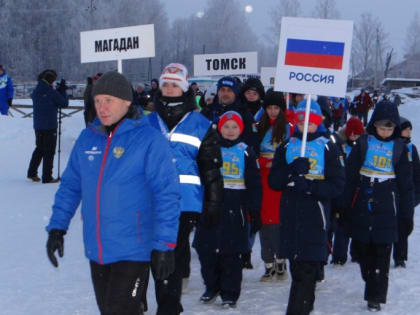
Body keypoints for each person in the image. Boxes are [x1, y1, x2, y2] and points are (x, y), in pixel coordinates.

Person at [45, 71, 181, 315]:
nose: (101, 107)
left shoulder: (148, 139)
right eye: (97, 101)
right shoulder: (88, 138)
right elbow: (70, 187)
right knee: (110, 309)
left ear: (127, 102)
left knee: (119, 310)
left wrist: (165, 244)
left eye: (108, 100)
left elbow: (166, 194)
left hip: (134, 247)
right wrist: (57, 228)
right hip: (98, 247)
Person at [143, 63, 223, 315]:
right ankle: (153, 302)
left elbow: (210, 169)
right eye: (165, 84)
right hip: (148, 201)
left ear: (185, 88)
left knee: (170, 259)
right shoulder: (146, 123)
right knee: (150, 257)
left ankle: (168, 307)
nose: (169, 88)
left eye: (174, 85)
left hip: (184, 203)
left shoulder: (201, 124)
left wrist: (212, 203)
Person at [269, 100, 345, 315]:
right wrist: (291, 169)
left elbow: (338, 185)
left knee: (308, 267)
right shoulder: (287, 145)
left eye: (310, 123)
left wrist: (311, 186)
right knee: (297, 268)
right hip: (291, 213)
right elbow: (274, 182)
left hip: (315, 213)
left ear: (318, 122)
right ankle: (305, 305)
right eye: (301, 122)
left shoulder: (328, 145)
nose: (306, 127)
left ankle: (297, 310)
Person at [344, 100, 414, 312]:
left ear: (396, 128)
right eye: (382, 127)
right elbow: (349, 176)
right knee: (364, 251)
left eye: (390, 127)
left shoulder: (400, 149)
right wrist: (343, 205)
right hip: (364, 201)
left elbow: (406, 186)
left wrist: (406, 215)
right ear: (374, 125)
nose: (385, 131)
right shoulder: (363, 143)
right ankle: (369, 277)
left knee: (382, 254)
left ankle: (375, 296)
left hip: (387, 203)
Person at [193, 110, 262, 308]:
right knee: (207, 251)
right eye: (226, 126)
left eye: (234, 127)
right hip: (211, 205)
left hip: (235, 207)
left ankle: (230, 292)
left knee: (231, 255)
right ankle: (212, 286)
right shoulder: (209, 148)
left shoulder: (246, 151)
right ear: (219, 128)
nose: (230, 131)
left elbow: (255, 184)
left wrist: (254, 210)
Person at [257, 90, 290, 282]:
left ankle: (281, 259)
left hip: (278, 179)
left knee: (278, 222)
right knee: (264, 222)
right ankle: (268, 262)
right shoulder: (259, 126)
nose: (272, 111)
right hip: (262, 177)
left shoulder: (287, 128)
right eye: (269, 107)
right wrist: (263, 162)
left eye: (276, 107)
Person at [331, 117, 365, 265]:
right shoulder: (339, 144)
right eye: (352, 134)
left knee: (358, 223)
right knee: (341, 224)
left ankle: (357, 253)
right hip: (342, 188)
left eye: (357, 135)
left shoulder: (364, 146)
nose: (354, 137)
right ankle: (339, 256)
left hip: (358, 189)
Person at [27, 70, 68, 183]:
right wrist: (62, 91)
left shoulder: (37, 90)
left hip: (38, 125)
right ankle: (47, 177)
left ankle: (31, 173)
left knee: (39, 149)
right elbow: (64, 103)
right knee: (49, 151)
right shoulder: (50, 91)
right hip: (50, 125)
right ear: (52, 80)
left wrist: (57, 92)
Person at [392, 117, 420, 268]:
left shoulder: (412, 148)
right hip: (391, 193)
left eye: (410, 129)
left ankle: (400, 256)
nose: (409, 132)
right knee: (390, 226)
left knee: (405, 226)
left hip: (407, 195)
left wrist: (416, 195)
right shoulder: (392, 146)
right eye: (405, 128)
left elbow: (417, 173)